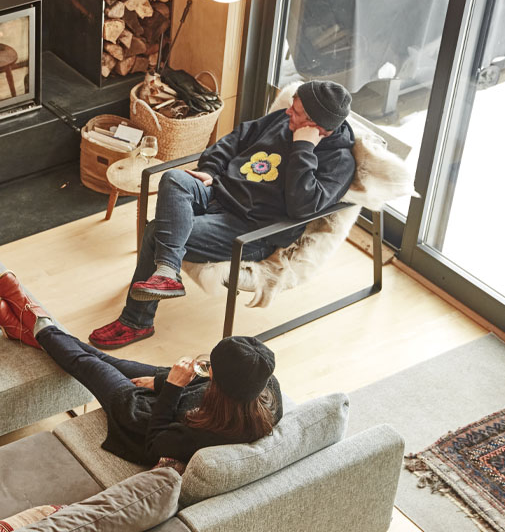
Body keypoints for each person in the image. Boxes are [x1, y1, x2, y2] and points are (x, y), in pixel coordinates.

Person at [89, 80, 357, 349]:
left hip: (250, 228)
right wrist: (212, 170)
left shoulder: (339, 162)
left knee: (156, 231)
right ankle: (168, 271)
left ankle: (136, 321)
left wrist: (303, 149)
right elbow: (237, 138)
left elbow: (303, 207)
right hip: (217, 192)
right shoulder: (282, 120)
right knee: (174, 179)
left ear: (317, 126)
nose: (288, 112)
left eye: (296, 112)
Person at [0, 272, 282, 467]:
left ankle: (32, 313)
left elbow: (155, 445)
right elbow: (206, 384)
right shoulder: (264, 387)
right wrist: (161, 382)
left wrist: (171, 387)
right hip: (179, 392)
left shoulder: (202, 433)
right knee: (105, 358)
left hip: (142, 418)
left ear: (220, 385)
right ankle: (26, 331)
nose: (207, 366)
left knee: (87, 364)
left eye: (211, 367)